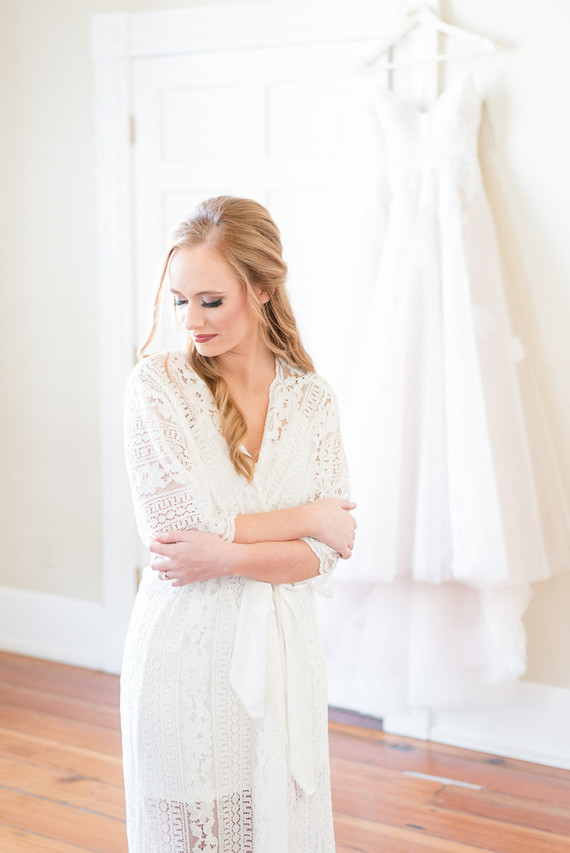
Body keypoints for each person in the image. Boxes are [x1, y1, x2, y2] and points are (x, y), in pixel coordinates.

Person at [121, 195, 355, 852]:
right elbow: (176, 532)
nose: (190, 320)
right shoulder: (156, 385)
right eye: (178, 300)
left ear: (263, 289)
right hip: (181, 665)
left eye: (211, 300)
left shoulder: (313, 400)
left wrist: (225, 551)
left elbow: (326, 553)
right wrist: (307, 516)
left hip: (284, 672)